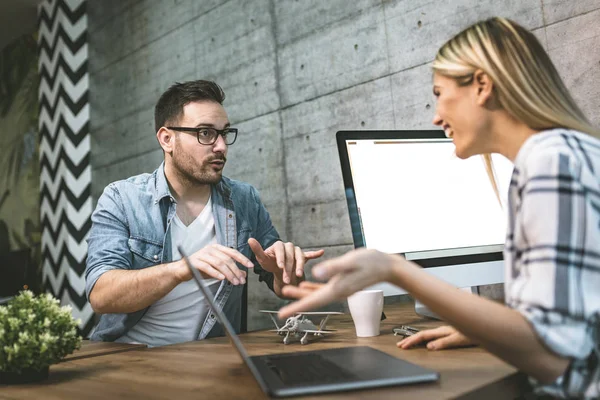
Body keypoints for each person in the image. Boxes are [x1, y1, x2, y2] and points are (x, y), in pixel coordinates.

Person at [279, 17, 600, 399]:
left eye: (439, 92)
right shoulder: (572, 151)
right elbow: (576, 323)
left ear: (482, 85)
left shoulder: (549, 163)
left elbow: (554, 357)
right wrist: (486, 327)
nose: (435, 116)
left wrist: (396, 269)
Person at [85, 80, 323, 347]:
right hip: (129, 356)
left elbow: (283, 286)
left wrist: (284, 272)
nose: (221, 146)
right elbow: (101, 294)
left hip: (210, 357)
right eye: (206, 133)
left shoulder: (244, 200)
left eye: (224, 133)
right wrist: (181, 269)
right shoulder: (122, 199)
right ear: (167, 139)